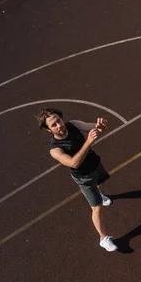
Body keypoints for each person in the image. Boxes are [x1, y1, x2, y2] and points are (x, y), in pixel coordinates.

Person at [36, 108, 117, 252]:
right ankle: (103, 239)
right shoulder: (55, 149)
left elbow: (93, 128)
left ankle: (101, 195)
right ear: (48, 130)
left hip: (95, 164)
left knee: (101, 182)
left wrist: (100, 127)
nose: (59, 125)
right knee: (96, 208)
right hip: (84, 178)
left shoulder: (73, 124)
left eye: (58, 121)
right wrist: (88, 142)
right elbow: (74, 163)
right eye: (53, 125)